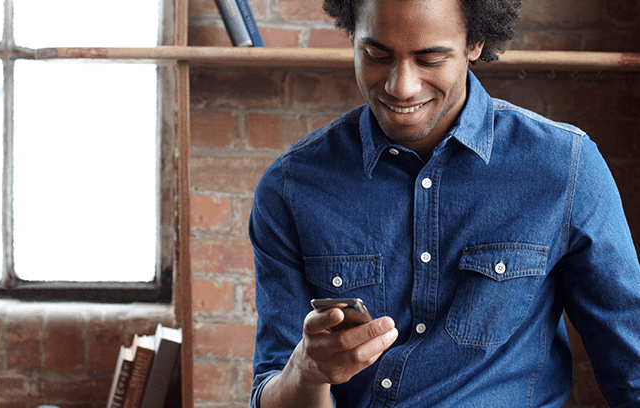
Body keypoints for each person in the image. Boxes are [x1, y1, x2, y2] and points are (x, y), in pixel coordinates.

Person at [248, 0, 640, 406]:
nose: (402, 87)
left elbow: (632, 368)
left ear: (476, 42)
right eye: (377, 56)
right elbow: (273, 388)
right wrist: (306, 373)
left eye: (430, 59)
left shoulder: (565, 168)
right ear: (352, 37)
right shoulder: (291, 187)